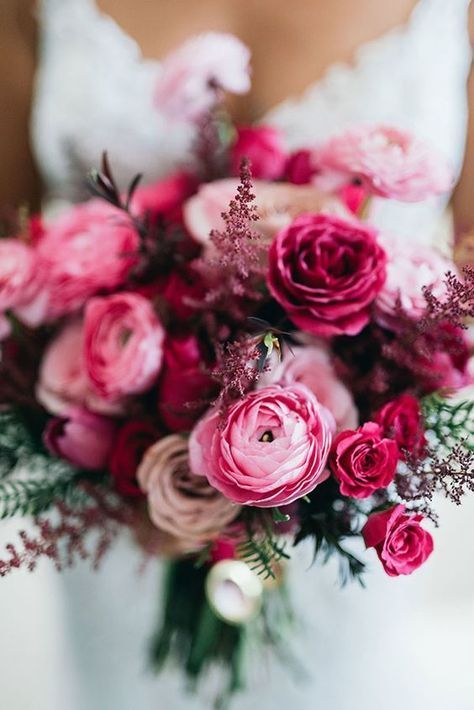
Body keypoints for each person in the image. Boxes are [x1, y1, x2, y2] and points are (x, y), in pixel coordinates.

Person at [1, 2, 474, 709]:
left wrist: (369, 397)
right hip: (121, 516)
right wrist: (145, 438)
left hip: (354, 518)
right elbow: (10, 245)